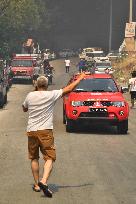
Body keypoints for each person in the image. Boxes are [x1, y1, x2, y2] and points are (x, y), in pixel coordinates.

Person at [22, 73, 85, 198]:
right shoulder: (51, 94)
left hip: (32, 131)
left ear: (36, 85)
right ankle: (44, 181)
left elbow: (24, 108)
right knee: (50, 157)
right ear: (47, 85)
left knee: (34, 158)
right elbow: (69, 89)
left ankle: (36, 185)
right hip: (45, 131)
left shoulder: (30, 95)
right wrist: (81, 78)